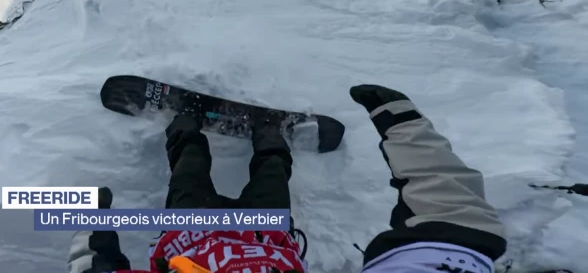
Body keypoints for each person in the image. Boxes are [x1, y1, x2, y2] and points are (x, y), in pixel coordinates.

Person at [68, 84, 508, 273]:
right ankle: (267, 133)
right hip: (266, 235)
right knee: (274, 166)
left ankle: (185, 123)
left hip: (191, 233)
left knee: (188, 162)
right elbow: (451, 242)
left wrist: (84, 225)